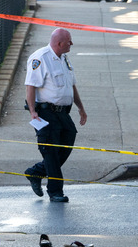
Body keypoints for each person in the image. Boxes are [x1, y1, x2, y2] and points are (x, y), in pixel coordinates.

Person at [24, 28, 88, 203]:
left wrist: (80, 108)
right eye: (69, 41)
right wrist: (33, 112)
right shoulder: (40, 58)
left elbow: (71, 86)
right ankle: (55, 192)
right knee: (50, 151)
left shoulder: (64, 58)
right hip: (46, 112)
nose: (72, 43)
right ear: (59, 43)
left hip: (62, 113)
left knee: (68, 140)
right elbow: (30, 86)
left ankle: (36, 172)